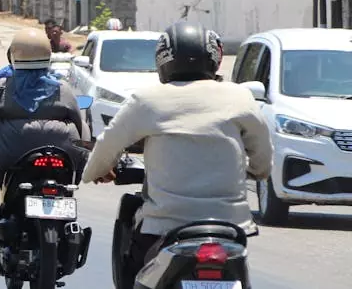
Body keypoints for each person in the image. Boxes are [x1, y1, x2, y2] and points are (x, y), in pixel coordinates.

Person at [81, 21, 272, 268]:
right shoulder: (240, 97)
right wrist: (256, 170)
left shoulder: (147, 100)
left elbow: (109, 144)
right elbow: (263, 153)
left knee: (134, 259)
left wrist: (94, 172)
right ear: (214, 57)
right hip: (232, 227)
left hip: (165, 225)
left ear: (163, 59)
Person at [0, 28, 90, 238]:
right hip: (62, 150)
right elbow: (78, 121)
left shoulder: (2, 87)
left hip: (10, 151)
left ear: (14, 56)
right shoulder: (62, 88)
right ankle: (70, 196)